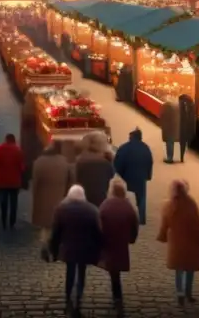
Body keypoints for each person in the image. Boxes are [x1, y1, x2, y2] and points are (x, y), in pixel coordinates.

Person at [49, 184, 103, 317]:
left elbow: (55, 233)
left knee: (70, 273)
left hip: (69, 248)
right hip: (85, 248)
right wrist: (98, 249)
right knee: (82, 273)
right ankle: (79, 298)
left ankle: (68, 298)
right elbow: (98, 233)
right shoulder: (92, 210)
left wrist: (54, 250)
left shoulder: (61, 209)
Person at [156, 179, 199, 306]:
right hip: (191, 242)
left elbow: (164, 225)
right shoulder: (190, 203)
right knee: (190, 268)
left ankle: (180, 293)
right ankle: (188, 293)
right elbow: (197, 223)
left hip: (176, 243)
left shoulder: (169, 205)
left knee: (178, 269)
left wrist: (162, 236)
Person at [99, 178, 139, 316]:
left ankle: (117, 297)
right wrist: (132, 239)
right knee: (116, 270)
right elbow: (135, 225)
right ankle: (117, 298)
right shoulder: (128, 207)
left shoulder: (105, 205)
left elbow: (99, 224)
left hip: (109, 241)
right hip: (122, 242)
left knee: (113, 270)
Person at [32, 141, 74, 241]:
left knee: (46, 227)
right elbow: (70, 181)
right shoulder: (64, 162)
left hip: (43, 200)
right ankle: (56, 249)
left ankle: (45, 245)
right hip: (60, 198)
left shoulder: (39, 161)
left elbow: (35, 183)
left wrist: (35, 196)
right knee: (58, 225)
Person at [113, 128, 154, 224]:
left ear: (131, 137)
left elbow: (118, 163)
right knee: (141, 198)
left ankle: (125, 217)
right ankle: (142, 219)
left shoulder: (124, 148)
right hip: (141, 177)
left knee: (124, 197)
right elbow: (150, 162)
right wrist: (148, 175)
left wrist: (120, 174)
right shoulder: (145, 148)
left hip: (127, 177)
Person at [0, 134, 25, 229]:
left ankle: (3, 220)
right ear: (14, 141)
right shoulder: (18, 151)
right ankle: (12, 222)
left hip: (1, 181)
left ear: (5, 140)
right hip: (14, 181)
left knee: (3, 201)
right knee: (14, 202)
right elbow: (22, 168)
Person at [74, 132, 115, 207]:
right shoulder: (106, 163)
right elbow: (111, 179)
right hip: (101, 202)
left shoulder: (78, 161)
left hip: (82, 201)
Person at [159, 98, 180, 164]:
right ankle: (179, 157)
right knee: (172, 142)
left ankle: (170, 158)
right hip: (175, 127)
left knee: (169, 142)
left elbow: (162, 116)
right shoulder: (177, 106)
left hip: (169, 128)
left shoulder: (167, 106)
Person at [177, 93, 196, 163]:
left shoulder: (182, 105)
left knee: (181, 142)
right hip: (187, 127)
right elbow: (192, 118)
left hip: (182, 126)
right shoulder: (192, 105)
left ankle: (180, 156)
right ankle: (181, 156)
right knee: (183, 142)